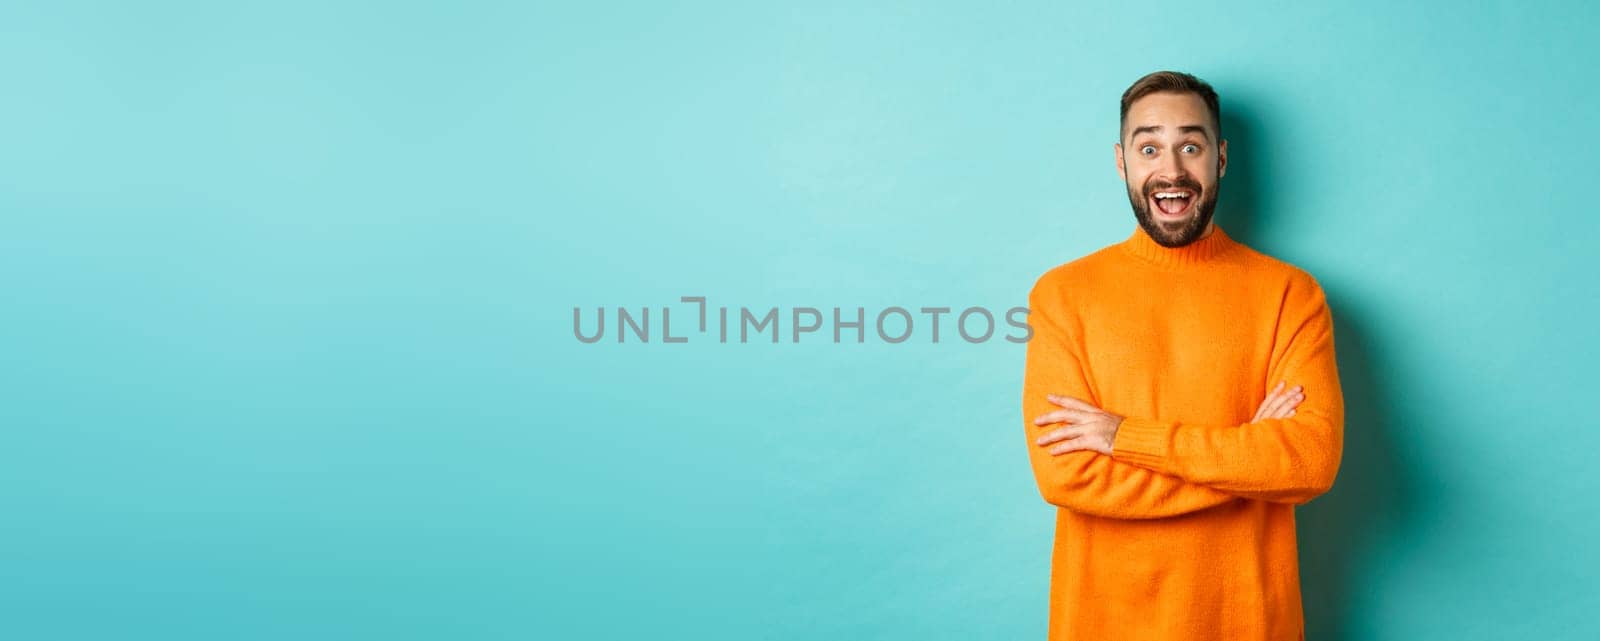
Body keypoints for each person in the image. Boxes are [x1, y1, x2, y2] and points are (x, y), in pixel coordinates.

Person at [1021, 70, 1345, 641]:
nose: (1171, 172)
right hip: (1105, 624)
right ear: (1122, 162)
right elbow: (1066, 476)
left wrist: (1123, 437)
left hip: (1248, 623)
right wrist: (1248, 465)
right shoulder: (1063, 295)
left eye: (1190, 147)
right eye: (1149, 148)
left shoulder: (1290, 295)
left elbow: (1309, 461)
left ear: (1219, 158)